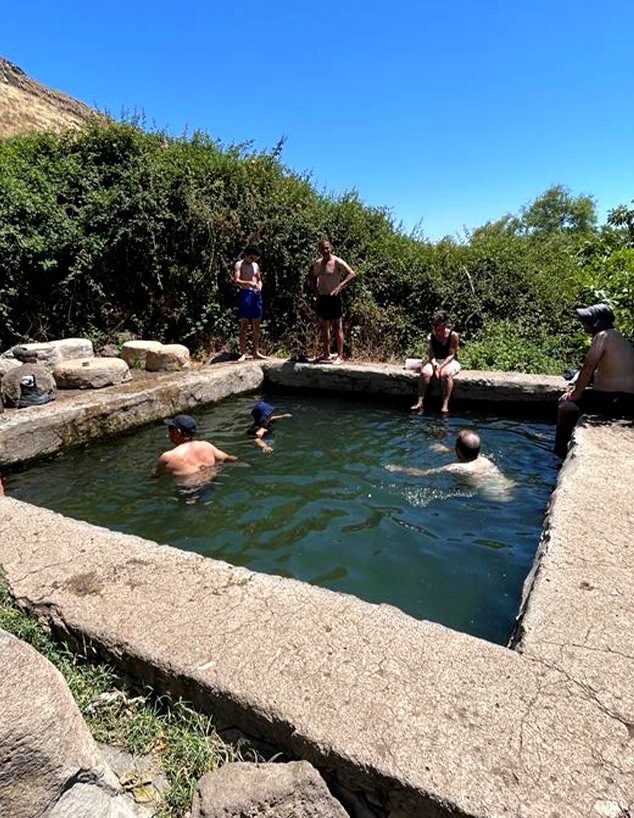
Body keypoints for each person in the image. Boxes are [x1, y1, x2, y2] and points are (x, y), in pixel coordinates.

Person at [555, 304, 634, 456]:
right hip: (629, 400)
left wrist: (576, 393)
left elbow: (588, 368)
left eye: (586, 321)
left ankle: (558, 450)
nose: (584, 324)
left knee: (564, 405)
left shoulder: (602, 336)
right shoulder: (620, 338)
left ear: (596, 323)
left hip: (611, 399)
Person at [386, 429, 514, 501]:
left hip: (494, 499)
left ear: (458, 450)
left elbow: (423, 473)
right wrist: (445, 450)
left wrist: (398, 468)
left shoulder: (457, 467)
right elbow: (469, 450)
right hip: (509, 488)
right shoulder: (485, 459)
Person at [153, 414, 237, 485]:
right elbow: (230, 458)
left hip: (188, 492)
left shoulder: (168, 457)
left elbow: (156, 477)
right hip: (211, 483)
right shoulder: (207, 446)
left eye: (170, 429)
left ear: (177, 432)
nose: (169, 433)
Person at [312, 238, 357, 364]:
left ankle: (340, 356)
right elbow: (313, 278)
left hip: (334, 298)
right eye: (323, 249)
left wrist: (339, 287)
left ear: (331, 247)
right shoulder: (318, 263)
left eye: (327, 248)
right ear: (319, 250)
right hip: (323, 298)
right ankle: (326, 354)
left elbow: (352, 273)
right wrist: (315, 291)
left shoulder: (337, 261)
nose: (325, 250)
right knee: (324, 326)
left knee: (338, 326)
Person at [411, 311, 460, 413]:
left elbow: (451, 355)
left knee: (446, 374)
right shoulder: (430, 336)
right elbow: (431, 355)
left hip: (450, 361)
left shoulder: (453, 335)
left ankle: (445, 404)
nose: (435, 327)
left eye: (437, 324)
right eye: (434, 324)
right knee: (425, 373)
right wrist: (434, 364)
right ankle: (420, 402)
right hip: (434, 360)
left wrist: (440, 367)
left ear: (444, 324)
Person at [234, 246, 266, 362]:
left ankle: (256, 352)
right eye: (250, 257)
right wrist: (249, 283)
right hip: (245, 294)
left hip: (256, 295)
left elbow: (259, 279)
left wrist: (260, 286)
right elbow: (236, 281)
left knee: (257, 324)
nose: (252, 259)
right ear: (246, 255)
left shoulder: (255, 265)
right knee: (244, 324)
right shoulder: (239, 264)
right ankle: (243, 352)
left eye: (254, 257)